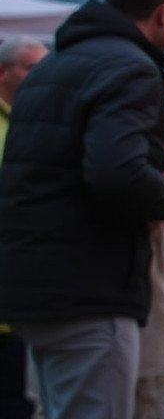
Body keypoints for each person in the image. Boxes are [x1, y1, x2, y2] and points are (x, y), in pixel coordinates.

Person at [0, 0, 164, 419]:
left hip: (34, 283)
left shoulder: (51, 68)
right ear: (163, 11)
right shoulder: (130, 67)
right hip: (88, 284)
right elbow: (117, 173)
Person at [0, 36, 47, 419]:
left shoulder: (40, 123)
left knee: (14, 393)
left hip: (19, 288)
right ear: (3, 73)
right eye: (31, 67)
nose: (41, 76)